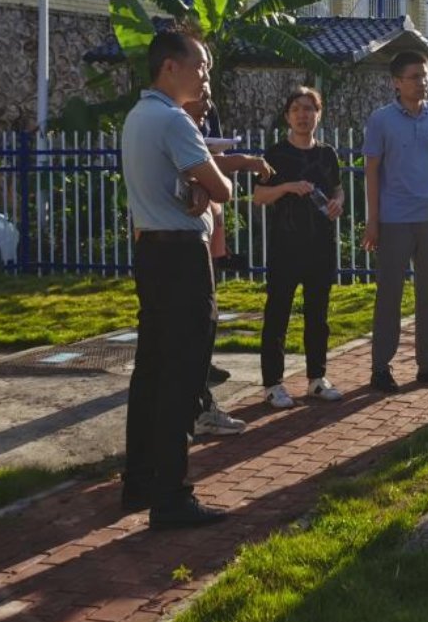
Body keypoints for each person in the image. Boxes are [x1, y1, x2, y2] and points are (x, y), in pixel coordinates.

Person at [120, 29, 233, 528]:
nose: (205, 74)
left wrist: (195, 187)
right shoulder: (172, 120)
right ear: (170, 67)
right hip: (182, 259)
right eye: (200, 66)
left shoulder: (137, 116)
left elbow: (190, 185)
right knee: (182, 377)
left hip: (150, 253)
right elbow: (222, 188)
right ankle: (171, 495)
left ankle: (139, 482)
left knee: (151, 373)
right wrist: (205, 186)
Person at [362, 49, 428, 392]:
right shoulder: (381, 120)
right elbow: (372, 171)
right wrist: (373, 220)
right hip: (394, 220)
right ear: (396, 82)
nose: (421, 83)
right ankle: (381, 367)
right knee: (389, 294)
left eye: (425, 76)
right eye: (414, 77)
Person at [181, 93, 272, 439]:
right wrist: (245, 163)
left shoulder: (194, 123)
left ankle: (200, 397)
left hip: (206, 228)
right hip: (186, 238)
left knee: (207, 317)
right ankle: (196, 407)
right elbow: (217, 179)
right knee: (195, 322)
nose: (206, 106)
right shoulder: (175, 127)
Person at [253, 86, 346, 406]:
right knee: (278, 312)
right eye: (296, 109)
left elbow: (337, 189)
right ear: (287, 116)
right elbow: (259, 196)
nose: (303, 115)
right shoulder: (276, 154)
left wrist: (337, 204)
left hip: (320, 243)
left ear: (318, 114)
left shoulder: (327, 153)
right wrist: (289, 187)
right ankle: (272, 384)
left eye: (309, 108)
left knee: (318, 315)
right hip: (285, 244)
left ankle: (317, 379)